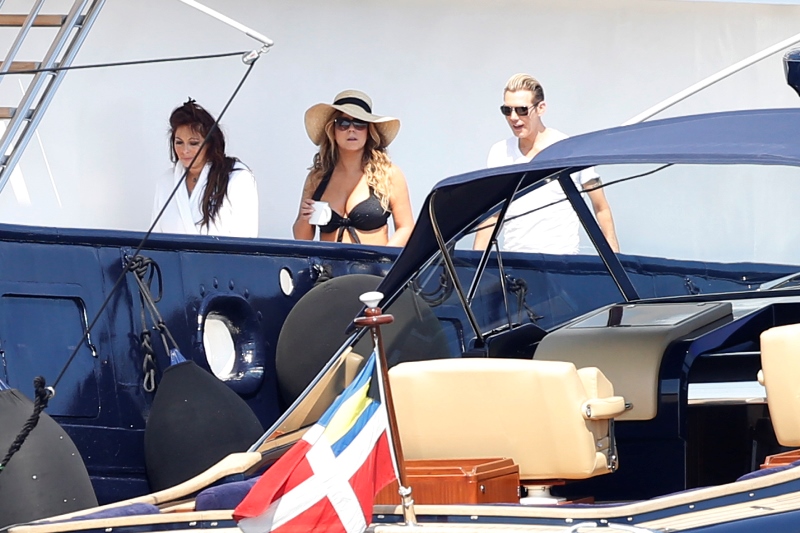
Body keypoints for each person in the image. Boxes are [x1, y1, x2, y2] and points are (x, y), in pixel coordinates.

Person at [473, 74, 619, 254]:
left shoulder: (570, 150)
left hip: (560, 262)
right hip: (516, 262)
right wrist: (474, 260)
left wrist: (615, 258)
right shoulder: (499, 152)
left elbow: (601, 207)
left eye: (522, 110)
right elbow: (492, 215)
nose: (513, 117)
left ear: (541, 108)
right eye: (507, 110)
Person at [293, 89, 414, 247]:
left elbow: (406, 228)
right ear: (333, 130)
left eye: (359, 123)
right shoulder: (318, 177)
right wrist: (304, 218)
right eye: (343, 123)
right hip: (328, 262)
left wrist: (385, 257)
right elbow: (302, 238)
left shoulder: (388, 174)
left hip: (374, 262)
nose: (351, 129)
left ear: (369, 131)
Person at [151, 99, 258, 237]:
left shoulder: (237, 178)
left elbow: (245, 238)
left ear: (210, 144)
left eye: (193, 143)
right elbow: (155, 239)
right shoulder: (166, 181)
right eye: (179, 142)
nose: (185, 150)